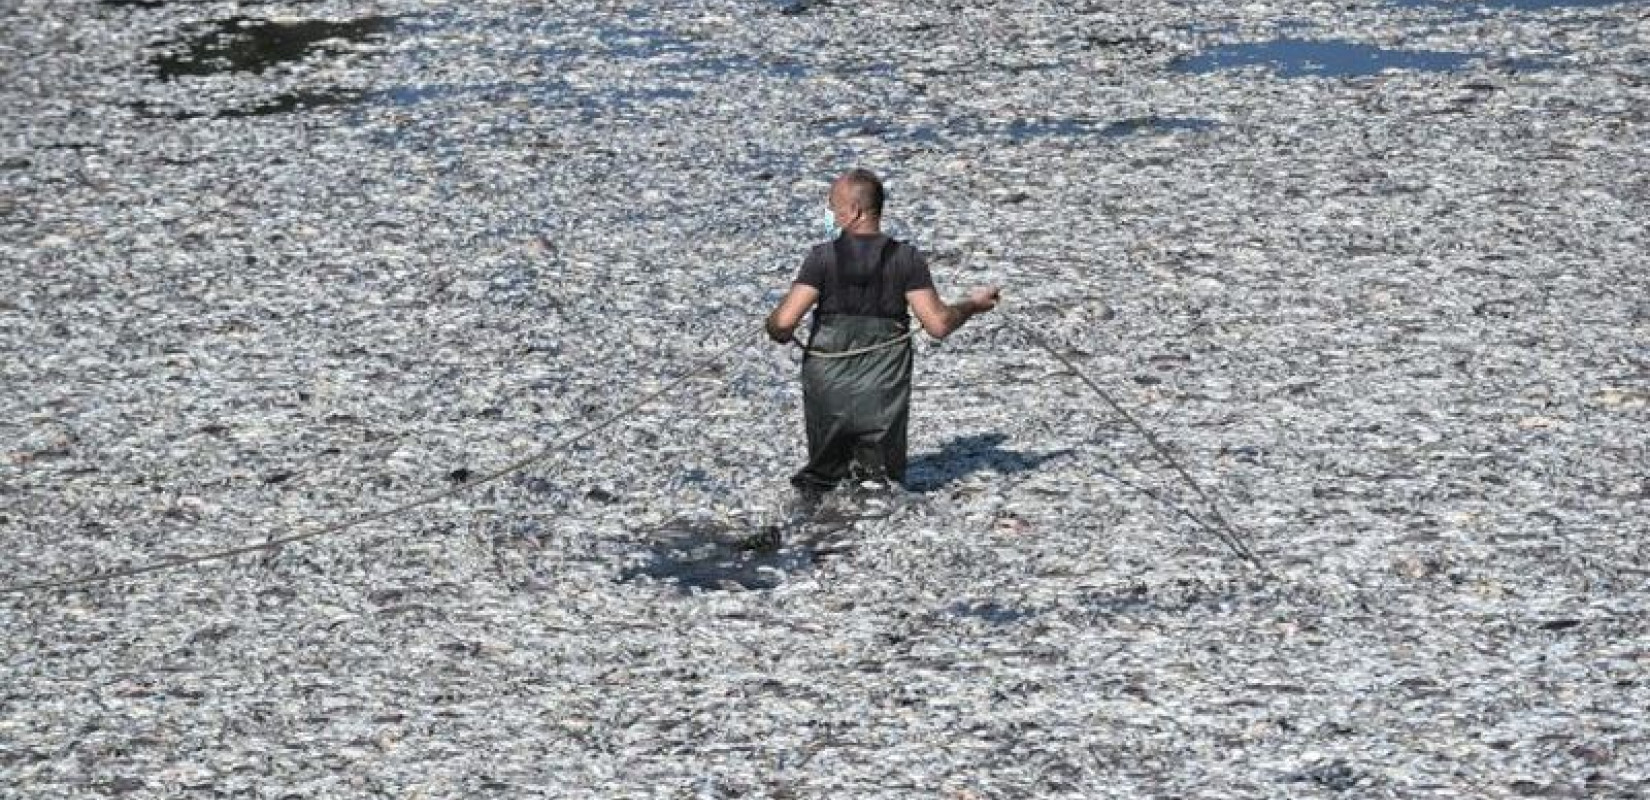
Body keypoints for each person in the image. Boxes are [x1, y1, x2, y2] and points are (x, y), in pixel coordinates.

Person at [766, 168, 999, 496]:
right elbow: (938, 324)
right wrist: (973, 305)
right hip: (882, 391)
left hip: (827, 390)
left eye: (834, 208)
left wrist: (771, 325)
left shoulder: (821, 259)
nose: (830, 215)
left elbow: (785, 323)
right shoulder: (906, 259)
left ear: (855, 212)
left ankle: (809, 538)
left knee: (823, 485)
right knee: (881, 489)